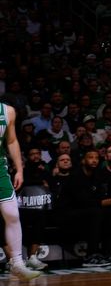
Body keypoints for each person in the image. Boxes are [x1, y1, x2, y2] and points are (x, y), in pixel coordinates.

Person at [0, 99, 43, 280]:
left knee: (12, 214)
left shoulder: (7, 111)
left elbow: (11, 140)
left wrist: (19, 169)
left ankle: (17, 263)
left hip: (0, 169)